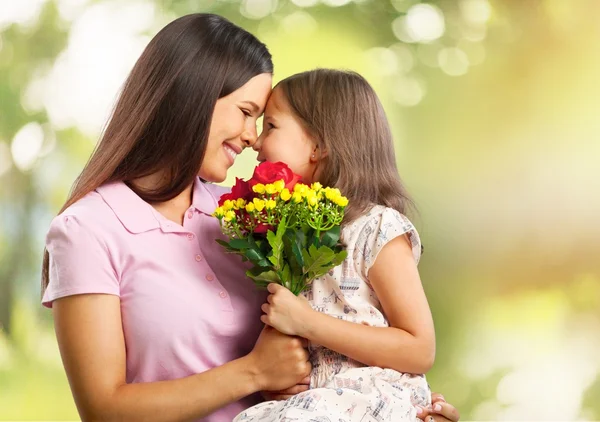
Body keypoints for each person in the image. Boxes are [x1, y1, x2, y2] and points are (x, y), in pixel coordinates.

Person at [41, 13, 459, 422]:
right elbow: (103, 410)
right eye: (245, 112)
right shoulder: (87, 231)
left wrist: (400, 404)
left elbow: (347, 327)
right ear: (194, 97)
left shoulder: (251, 215)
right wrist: (253, 372)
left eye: (262, 122)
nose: (251, 137)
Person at [235, 69, 438, 422]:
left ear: (318, 146)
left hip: (370, 400)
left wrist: (307, 322)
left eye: (271, 126)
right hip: (315, 403)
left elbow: (420, 349)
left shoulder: (377, 228)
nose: (255, 141)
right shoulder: (292, 233)